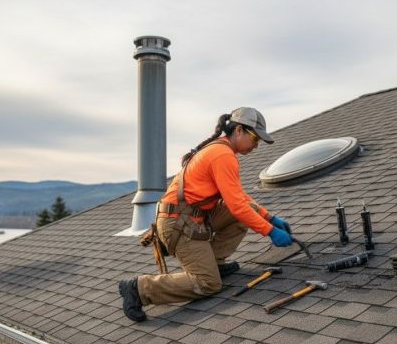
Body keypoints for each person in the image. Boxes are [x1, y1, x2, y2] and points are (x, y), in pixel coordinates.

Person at [119, 107, 293, 322]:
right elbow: (238, 205)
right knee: (208, 283)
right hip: (178, 225)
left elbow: (238, 198)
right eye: (255, 138)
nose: (256, 146)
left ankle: (215, 263)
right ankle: (139, 289)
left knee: (247, 211)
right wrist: (270, 231)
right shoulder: (222, 155)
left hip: (190, 219)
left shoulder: (220, 150)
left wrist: (269, 217)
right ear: (239, 130)